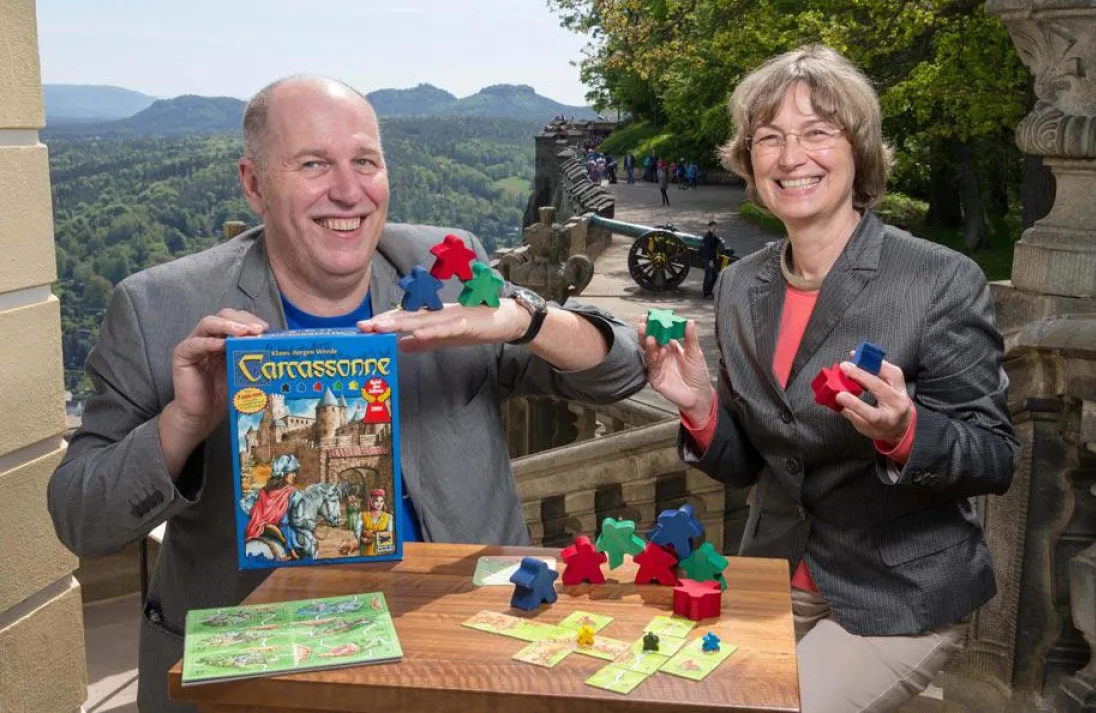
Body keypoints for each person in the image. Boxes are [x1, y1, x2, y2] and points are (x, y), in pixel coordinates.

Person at [47, 75, 647, 713]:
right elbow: (80, 520)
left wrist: (525, 320)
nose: (347, 190)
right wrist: (183, 421)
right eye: (312, 164)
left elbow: (622, 373)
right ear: (253, 184)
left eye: (365, 161)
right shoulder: (158, 307)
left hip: (466, 645)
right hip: (268, 677)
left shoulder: (446, 266)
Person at [639, 45, 1018, 712]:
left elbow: (993, 454)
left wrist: (907, 433)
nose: (792, 157)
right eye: (770, 138)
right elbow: (753, 462)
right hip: (772, 575)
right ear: (749, 159)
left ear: (859, 150)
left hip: (897, 588)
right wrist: (700, 407)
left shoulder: (938, 279)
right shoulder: (738, 285)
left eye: (817, 132)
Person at [242, 453, 302, 559]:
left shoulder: (263, 492)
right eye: (292, 472)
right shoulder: (290, 493)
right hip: (274, 529)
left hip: (263, 526)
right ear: (283, 473)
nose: (294, 475)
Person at [355, 488, 395, 556]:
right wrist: (362, 539)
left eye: (381, 501)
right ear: (371, 501)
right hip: (366, 549)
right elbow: (357, 532)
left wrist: (372, 537)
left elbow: (390, 534)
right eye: (376, 501)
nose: (379, 504)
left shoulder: (389, 517)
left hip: (383, 550)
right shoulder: (362, 515)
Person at [699, 220, 723, 299]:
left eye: (715, 228)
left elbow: (717, 242)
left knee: (714, 275)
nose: (714, 229)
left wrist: (720, 241)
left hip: (710, 260)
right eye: (713, 227)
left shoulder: (712, 237)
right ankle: (706, 293)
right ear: (709, 227)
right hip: (708, 260)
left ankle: (709, 291)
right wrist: (710, 261)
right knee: (709, 276)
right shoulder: (707, 237)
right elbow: (706, 251)